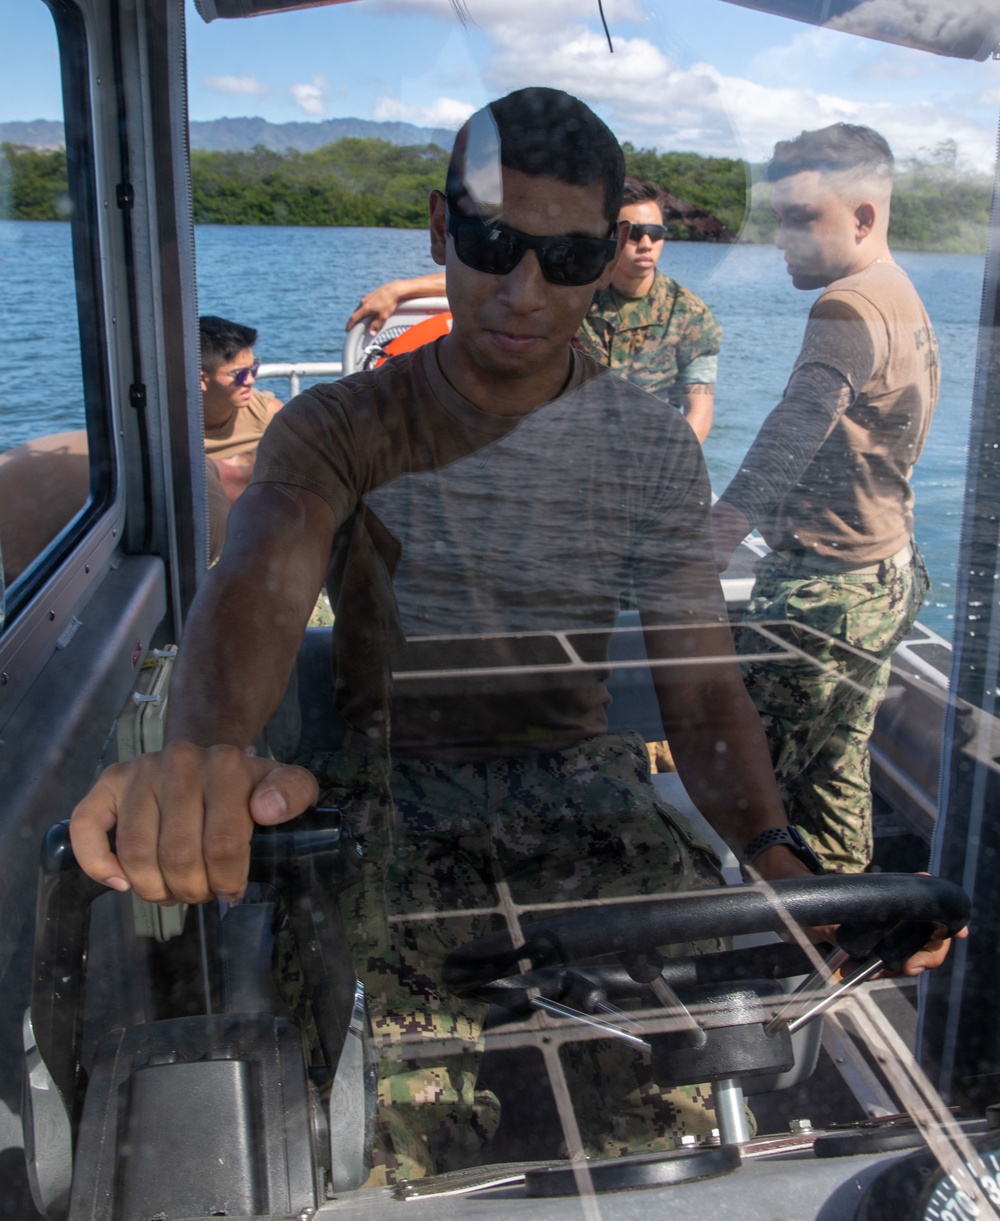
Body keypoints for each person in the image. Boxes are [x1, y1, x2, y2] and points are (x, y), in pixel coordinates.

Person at [71, 93, 954, 1185]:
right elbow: (257, 582)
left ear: (602, 259)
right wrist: (205, 754)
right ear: (443, 230)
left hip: (589, 804)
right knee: (397, 1141)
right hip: (387, 800)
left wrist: (771, 854)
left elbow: (704, 693)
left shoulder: (645, 446)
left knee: (677, 1104)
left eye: (570, 254)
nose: (526, 291)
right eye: (496, 244)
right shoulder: (338, 428)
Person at [711, 123, 939, 875]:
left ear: (863, 216)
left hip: (827, 588)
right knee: (832, 763)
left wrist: (715, 536)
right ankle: (844, 929)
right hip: (888, 570)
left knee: (741, 780)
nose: (781, 239)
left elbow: (797, 423)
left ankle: (745, 943)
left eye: (802, 217)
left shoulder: (845, 305)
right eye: (778, 216)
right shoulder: (902, 293)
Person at [345, 180, 721, 442]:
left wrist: (667, 465)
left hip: (643, 453)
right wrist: (400, 289)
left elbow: (698, 410)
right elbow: (495, 273)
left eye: (655, 232)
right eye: (635, 232)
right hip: (561, 445)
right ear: (611, 241)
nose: (646, 243)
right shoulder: (572, 286)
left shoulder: (688, 314)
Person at [199, 314, 283, 505]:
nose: (250, 380)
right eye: (239, 375)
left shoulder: (267, 414)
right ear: (202, 380)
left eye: (252, 369)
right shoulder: (171, 424)